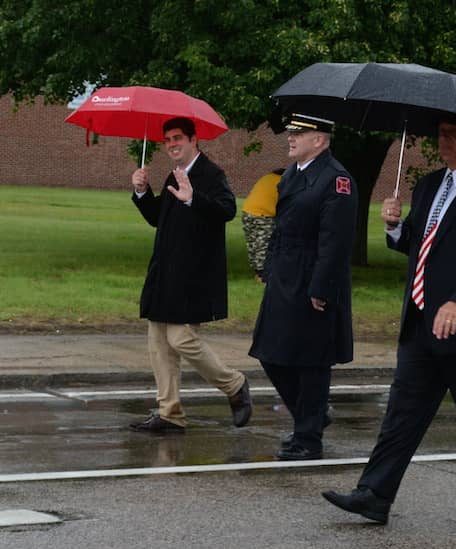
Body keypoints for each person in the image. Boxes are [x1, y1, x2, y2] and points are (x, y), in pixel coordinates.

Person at [322, 116, 456, 526]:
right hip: (421, 321)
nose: (442, 141)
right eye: (440, 134)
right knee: (402, 413)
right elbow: (418, 245)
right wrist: (395, 228)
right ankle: (374, 493)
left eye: (452, 134)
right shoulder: (429, 185)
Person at [128, 117, 252, 433]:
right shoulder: (174, 175)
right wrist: (143, 193)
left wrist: (194, 199)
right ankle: (169, 414)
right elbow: (159, 219)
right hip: (165, 273)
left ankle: (234, 384)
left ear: (194, 139)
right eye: (167, 139)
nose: (172, 144)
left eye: (178, 138)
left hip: (193, 275)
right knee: (159, 343)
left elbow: (227, 209)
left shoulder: (211, 174)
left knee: (181, 338)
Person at [249, 113, 358, 461]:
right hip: (284, 273)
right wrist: (267, 265)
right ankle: (312, 415)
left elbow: (335, 242)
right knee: (271, 353)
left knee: (311, 361)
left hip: (314, 277)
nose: (291, 138)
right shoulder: (293, 175)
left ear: (321, 140)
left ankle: (308, 439)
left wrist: (321, 288)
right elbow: (282, 228)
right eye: (291, 133)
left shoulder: (336, 180)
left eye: (300, 133)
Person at [241, 168, 284, 282]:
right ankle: (263, 276)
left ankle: (257, 271)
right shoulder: (283, 181)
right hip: (263, 214)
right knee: (263, 244)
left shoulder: (266, 178)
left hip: (247, 211)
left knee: (253, 244)